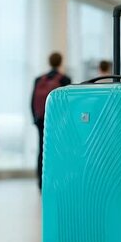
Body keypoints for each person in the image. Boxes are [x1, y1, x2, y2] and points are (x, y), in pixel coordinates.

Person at [31, 52, 72, 190]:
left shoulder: (38, 79)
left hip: (41, 119)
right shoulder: (65, 80)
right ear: (60, 62)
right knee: (58, 150)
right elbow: (67, 104)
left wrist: (36, 119)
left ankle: (40, 181)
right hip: (58, 122)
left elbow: (31, 101)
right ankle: (56, 180)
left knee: (41, 149)